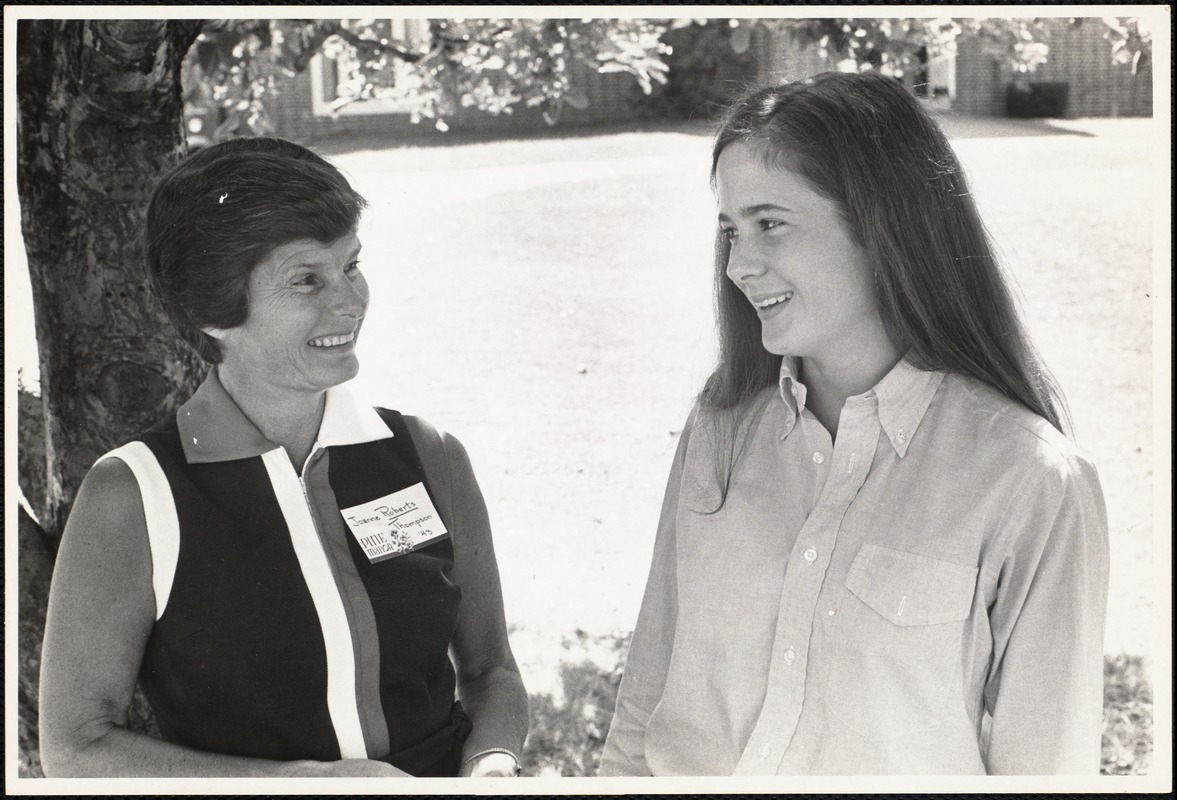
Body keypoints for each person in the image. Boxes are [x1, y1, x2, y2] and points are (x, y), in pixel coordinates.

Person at [599, 72, 1109, 776]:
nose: (739, 265)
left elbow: (1046, 768)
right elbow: (645, 705)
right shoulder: (718, 432)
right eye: (729, 230)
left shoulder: (1030, 483)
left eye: (769, 223)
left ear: (882, 225)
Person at [39, 137, 528, 778]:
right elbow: (76, 748)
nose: (349, 302)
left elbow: (491, 670)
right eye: (306, 280)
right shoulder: (134, 495)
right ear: (213, 311)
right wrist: (306, 785)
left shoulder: (430, 457)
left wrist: (492, 764)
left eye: (351, 265)